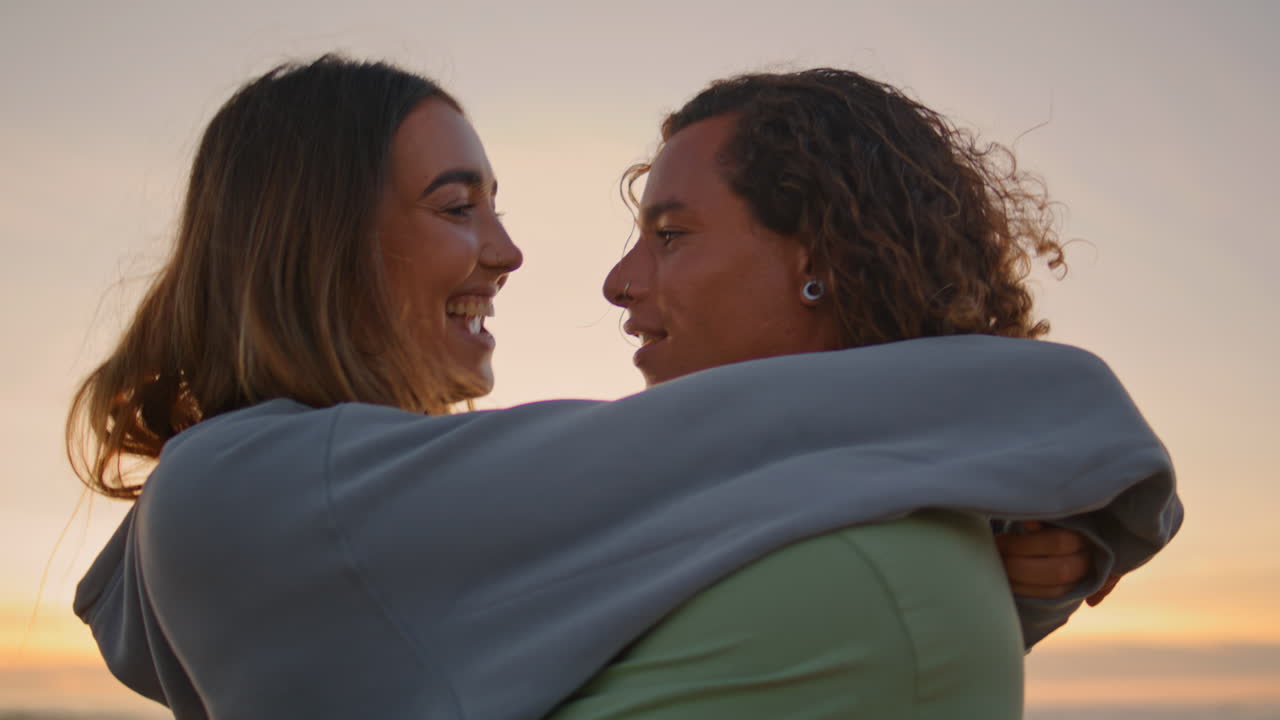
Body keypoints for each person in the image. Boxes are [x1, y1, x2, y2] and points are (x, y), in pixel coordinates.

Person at [69, 56, 1179, 719]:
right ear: (312, 242)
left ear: (818, 259)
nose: (520, 257)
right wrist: (1047, 429)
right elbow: (703, 460)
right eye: (458, 207)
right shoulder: (240, 486)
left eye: (669, 232)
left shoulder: (290, 515)